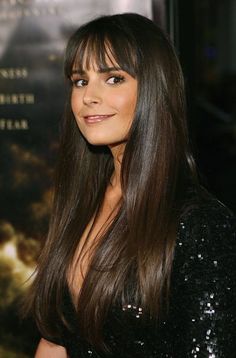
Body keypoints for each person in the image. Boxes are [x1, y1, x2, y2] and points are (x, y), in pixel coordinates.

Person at [25, 13, 236, 357]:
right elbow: (55, 340)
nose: (88, 96)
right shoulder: (81, 203)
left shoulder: (203, 227)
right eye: (80, 81)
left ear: (154, 89)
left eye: (113, 78)